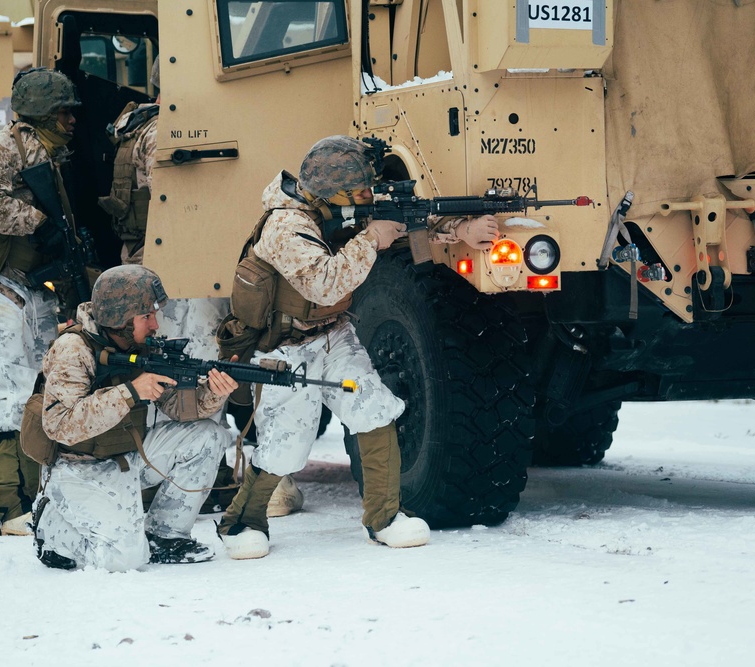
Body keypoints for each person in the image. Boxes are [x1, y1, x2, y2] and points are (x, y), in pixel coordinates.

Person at [216, 135, 500, 559]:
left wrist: (463, 229)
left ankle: (384, 517)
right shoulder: (285, 226)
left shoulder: (338, 208)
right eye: (363, 191)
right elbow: (325, 282)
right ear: (335, 192)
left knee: (375, 409)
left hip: (333, 335)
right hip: (284, 349)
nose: (371, 197)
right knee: (285, 444)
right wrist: (372, 239)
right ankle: (242, 521)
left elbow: (409, 222)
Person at [100, 58, 303, 517]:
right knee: (198, 371)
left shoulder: (140, 126)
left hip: (170, 271)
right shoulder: (162, 131)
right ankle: (201, 474)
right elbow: (190, 198)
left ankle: (207, 471)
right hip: (180, 275)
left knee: (204, 369)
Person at [32, 264, 235, 570]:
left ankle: (165, 536)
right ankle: (51, 527)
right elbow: (61, 425)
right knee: (125, 559)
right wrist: (130, 392)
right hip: (79, 468)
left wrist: (215, 392)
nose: (155, 324)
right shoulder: (73, 349)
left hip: (127, 456)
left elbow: (178, 408)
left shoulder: (138, 343)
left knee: (207, 435)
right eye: (146, 316)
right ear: (120, 318)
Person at [0, 68, 79, 536]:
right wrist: (37, 223)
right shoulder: (7, 146)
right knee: (12, 385)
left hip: (27, 286)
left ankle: (34, 490)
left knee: (40, 383)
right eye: (64, 110)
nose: (71, 120)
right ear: (43, 110)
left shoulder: (48, 154)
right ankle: (5, 505)